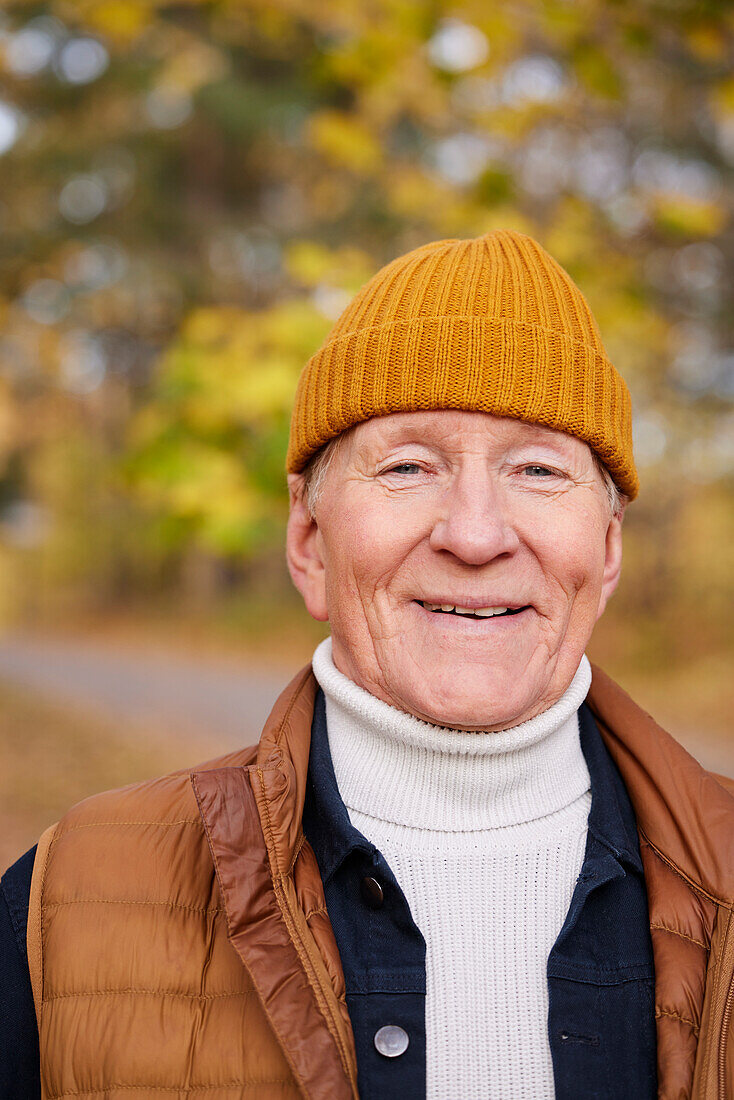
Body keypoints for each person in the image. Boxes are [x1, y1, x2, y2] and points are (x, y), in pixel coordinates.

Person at [2, 228, 733, 1100]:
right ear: (309, 544)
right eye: (408, 466)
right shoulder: (70, 896)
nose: (474, 533)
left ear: (607, 550)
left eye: (538, 469)